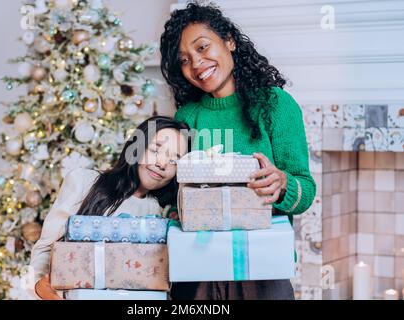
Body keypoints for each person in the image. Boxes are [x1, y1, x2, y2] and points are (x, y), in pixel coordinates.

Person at [160, 2, 316, 300]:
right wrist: (176, 211)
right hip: (197, 272)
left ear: (229, 41)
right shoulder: (187, 118)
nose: (196, 63)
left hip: (262, 272)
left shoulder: (275, 105)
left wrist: (282, 183)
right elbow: (171, 195)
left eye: (203, 47)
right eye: (184, 60)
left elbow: (305, 192)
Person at [29, 116, 189, 300]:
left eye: (174, 161)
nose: (161, 164)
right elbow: (45, 248)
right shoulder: (84, 181)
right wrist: (40, 286)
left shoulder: (157, 213)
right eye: (155, 150)